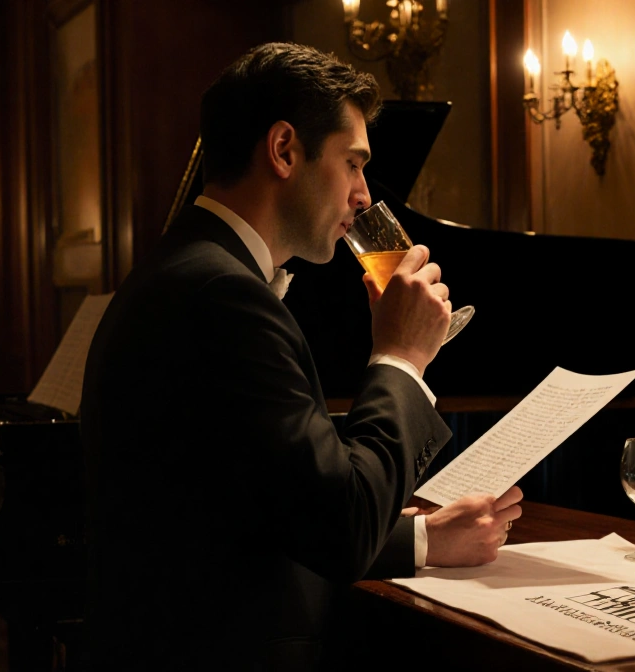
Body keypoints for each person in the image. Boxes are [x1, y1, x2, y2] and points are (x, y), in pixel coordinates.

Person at [80, 42, 522, 670]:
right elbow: (340, 529)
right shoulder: (224, 296)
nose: (364, 195)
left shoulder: (187, 270)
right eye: (353, 163)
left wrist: (423, 537)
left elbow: (265, 509)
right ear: (284, 149)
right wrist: (400, 357)